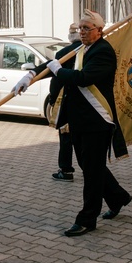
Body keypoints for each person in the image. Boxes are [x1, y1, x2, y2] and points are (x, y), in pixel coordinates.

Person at [13, 10, 131, 237]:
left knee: (92, 173)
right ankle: (118, 198)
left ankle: (87, 219)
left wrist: (60, 71)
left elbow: (83, 79)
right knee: (90, 166)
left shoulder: (103, 52)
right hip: (78, 121)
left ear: (99, 30)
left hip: (97, 122)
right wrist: (30, 76)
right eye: (80, 28)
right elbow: (52, 63)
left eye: (87, 28)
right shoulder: (79, 48)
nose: (82, 32)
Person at [51, 23, 80, 182]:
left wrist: (53, 98)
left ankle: (66, 169)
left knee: (66, 135)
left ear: (70, 37)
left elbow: (56, 79)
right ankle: (93, 169)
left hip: (68, 102)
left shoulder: (63, 53)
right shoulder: (92, 50)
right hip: (88, 103)